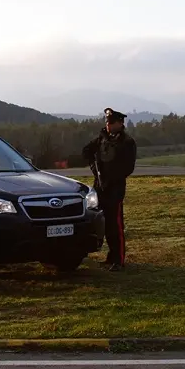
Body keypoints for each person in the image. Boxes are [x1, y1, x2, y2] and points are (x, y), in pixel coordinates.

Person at [82, 107, 137, 272]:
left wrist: (111, 178)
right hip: (100, 187)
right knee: (104, 224)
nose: (108, 125)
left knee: (116, 225)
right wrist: (95, 169)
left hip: (115, 188)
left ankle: (118, 259)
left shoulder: (127, 142)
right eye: (107, 122)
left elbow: (127, 167)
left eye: (112, 123)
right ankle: (110, 257)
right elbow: (86, 152)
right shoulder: (101, 138)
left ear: (120, 123)